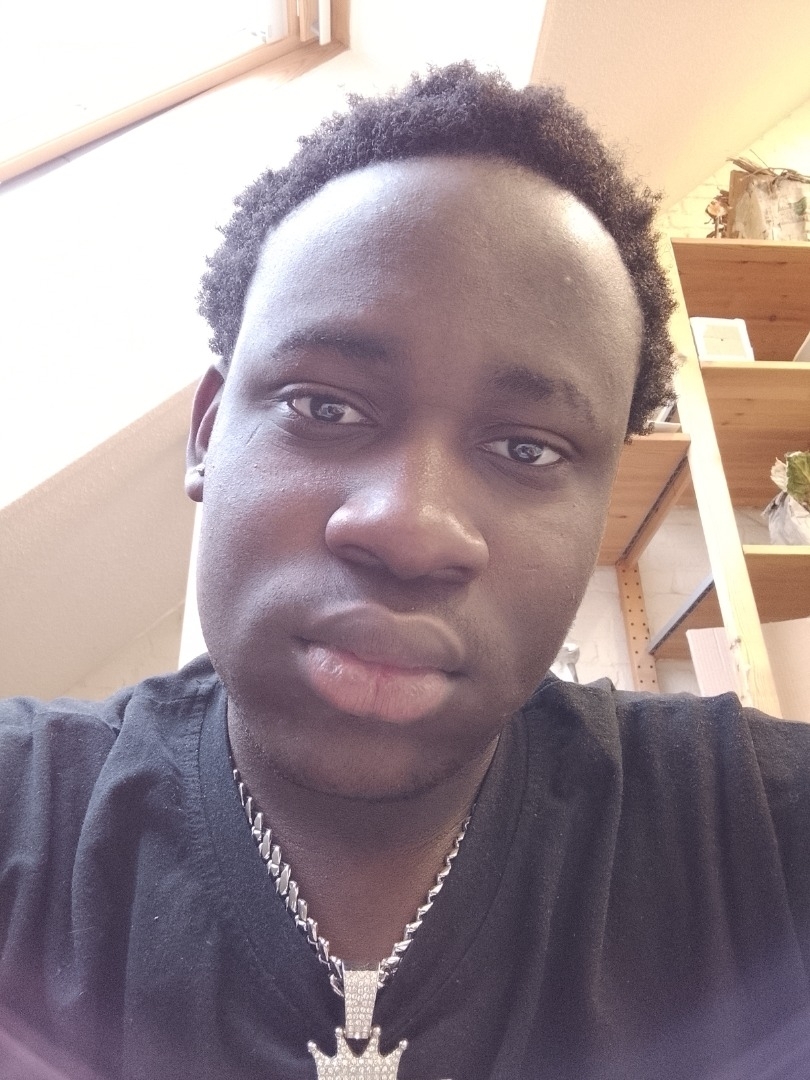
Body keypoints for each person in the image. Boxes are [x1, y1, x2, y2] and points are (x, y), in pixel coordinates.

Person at [1, 62, 809, 1080]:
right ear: (208, 434)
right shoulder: (23, 817)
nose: (413, 530)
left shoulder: (752, 837)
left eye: (527, 448)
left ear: (603, 498)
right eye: (325, 406)